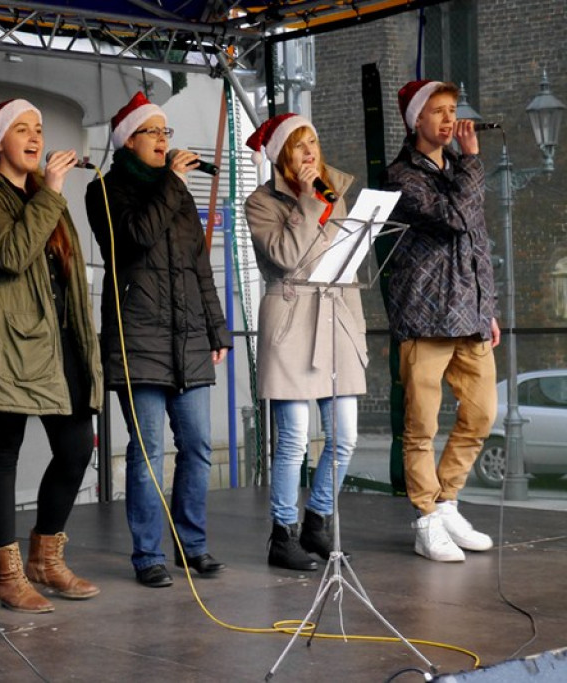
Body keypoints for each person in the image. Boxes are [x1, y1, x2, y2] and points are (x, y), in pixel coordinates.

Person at [0, 99, 103, 613]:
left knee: (77, 447)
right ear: (0, 141)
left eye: (38, 128)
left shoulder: (43, 195)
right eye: (22, 128)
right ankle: (8, 574)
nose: (35, 136)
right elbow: (11, 254)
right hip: (8, 340)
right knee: (2, 457)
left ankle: (46, 556)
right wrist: (54, 195)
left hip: (58, 340)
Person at [84, 92, 231, 588]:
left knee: (198, 446)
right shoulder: (105, 190)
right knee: (147, 451)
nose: (165, 140)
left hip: (188, 338)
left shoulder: (180, 193)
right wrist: (171, 182)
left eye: (167, 132)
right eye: (155, 132)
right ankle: (147, 553)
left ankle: (192, 545)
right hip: (138, 339)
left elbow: (198, 266)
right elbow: (136, 237)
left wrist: (217, 328)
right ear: (130, 139)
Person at [381, 80, 499, 562]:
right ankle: (426, 518)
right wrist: (472, 162)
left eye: (453, 111)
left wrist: (487, 307)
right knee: (421, 426)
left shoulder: (459, 170)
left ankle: (447, 499)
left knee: (481, 415)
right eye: (438, 112)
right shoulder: (400, 176)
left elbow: (478, 243)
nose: (450, 121)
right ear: (416, 120)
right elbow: (451, 218)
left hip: (469, 316)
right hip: (425, 316)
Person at [244, 114, 367, 571]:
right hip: (292, 319)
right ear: (282, 157)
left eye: (312, 141)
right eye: (298, 146)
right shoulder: (260, 202)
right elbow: (286, 257)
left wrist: (358, 334)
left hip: (336, 317)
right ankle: (283, 533)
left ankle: (317, 521)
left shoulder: (337, 192)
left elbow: (349, 261)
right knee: (294, 439)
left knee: (345, 436)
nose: (310, 151)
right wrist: (307, 202)